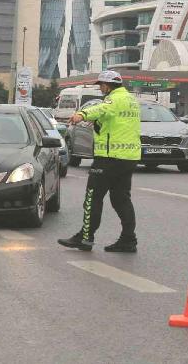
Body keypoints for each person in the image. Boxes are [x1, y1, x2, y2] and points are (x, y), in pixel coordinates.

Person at [58, 70, 141, 253]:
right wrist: (97, 124)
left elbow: (102, 109)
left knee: (92, 198)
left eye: (101, 85)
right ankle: (128, 239)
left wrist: (82, 114)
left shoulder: (112, 100)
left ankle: (86, 238)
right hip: (128, 158)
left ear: (107, 85)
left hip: (109, 158)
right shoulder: (131, 100)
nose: (100, 88)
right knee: (121, 199)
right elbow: (114, 121)